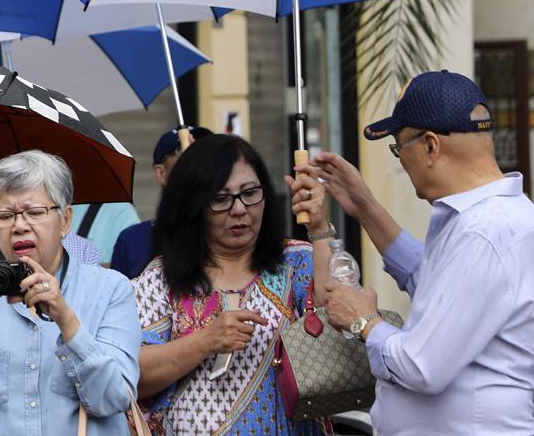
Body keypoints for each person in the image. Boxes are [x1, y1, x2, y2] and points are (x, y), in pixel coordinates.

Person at [313, 70, 534, 434]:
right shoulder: (491, 217)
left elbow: (421, 366)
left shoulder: (485, 231)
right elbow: (433, 282)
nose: (401, 160)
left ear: (430, 146)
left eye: (399, 148)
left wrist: (363, 320)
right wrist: (365, 206)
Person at [0, 150, 141, 434]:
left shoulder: (110, 289)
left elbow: (115, 398)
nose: (19, 226)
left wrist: (67, 321)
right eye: (5, 216)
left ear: (65, 220)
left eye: (35, 213)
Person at [132, 134, 333, 434]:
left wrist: (318, 228)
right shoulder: (161, 278)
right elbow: (131, 373)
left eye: (250, 193)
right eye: (220, 198)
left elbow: (338, 330)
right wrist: (205, 341)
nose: (239, 209)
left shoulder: (297, 262)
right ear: (194, 206)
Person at [111, 125, 214, 277]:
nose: (197, 160)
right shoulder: (132, 240)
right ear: (161, 173)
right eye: (186, 152)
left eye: (204, 151)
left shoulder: (226, 232)